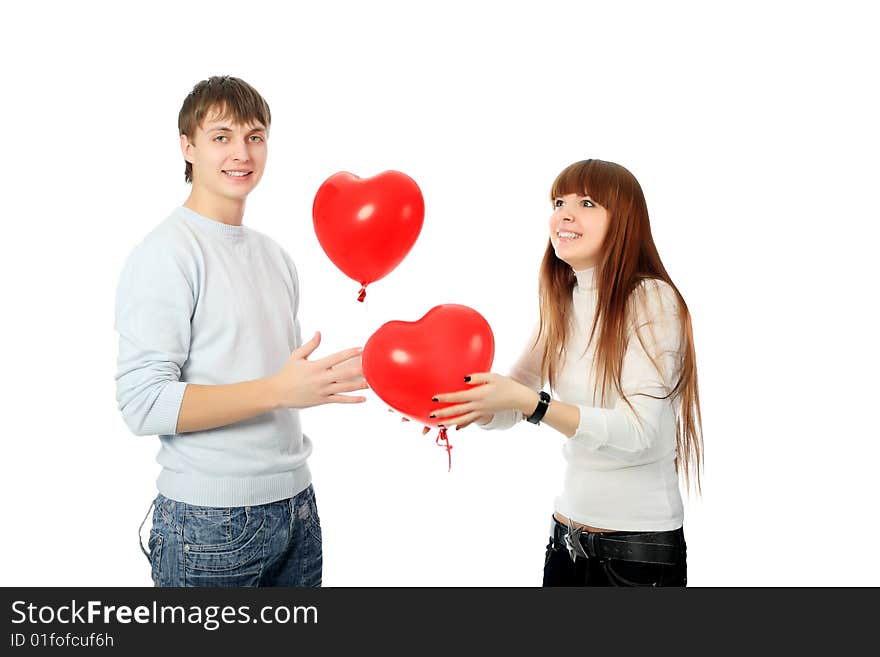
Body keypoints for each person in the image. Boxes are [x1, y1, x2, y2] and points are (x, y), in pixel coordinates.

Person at [114, 75, 368, 587]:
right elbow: (142, 404)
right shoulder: (167, 253)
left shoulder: (275, 256)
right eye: (221, 137)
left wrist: (350, 373)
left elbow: (270, 379)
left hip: (296, 508)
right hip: (209, 524)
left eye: (255, 136)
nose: (242, 153)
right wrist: (280, 389)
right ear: (188, 147)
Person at [431, 159, 703, 586]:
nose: (565, 214)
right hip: (566, 544)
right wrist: (461, 406)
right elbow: (514, 395)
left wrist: (532, 405)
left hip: (637, 557)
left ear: (625, 221)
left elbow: (638, 433)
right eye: (559, 202)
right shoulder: (561, 300)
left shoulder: (651, 299)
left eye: (588, 202)